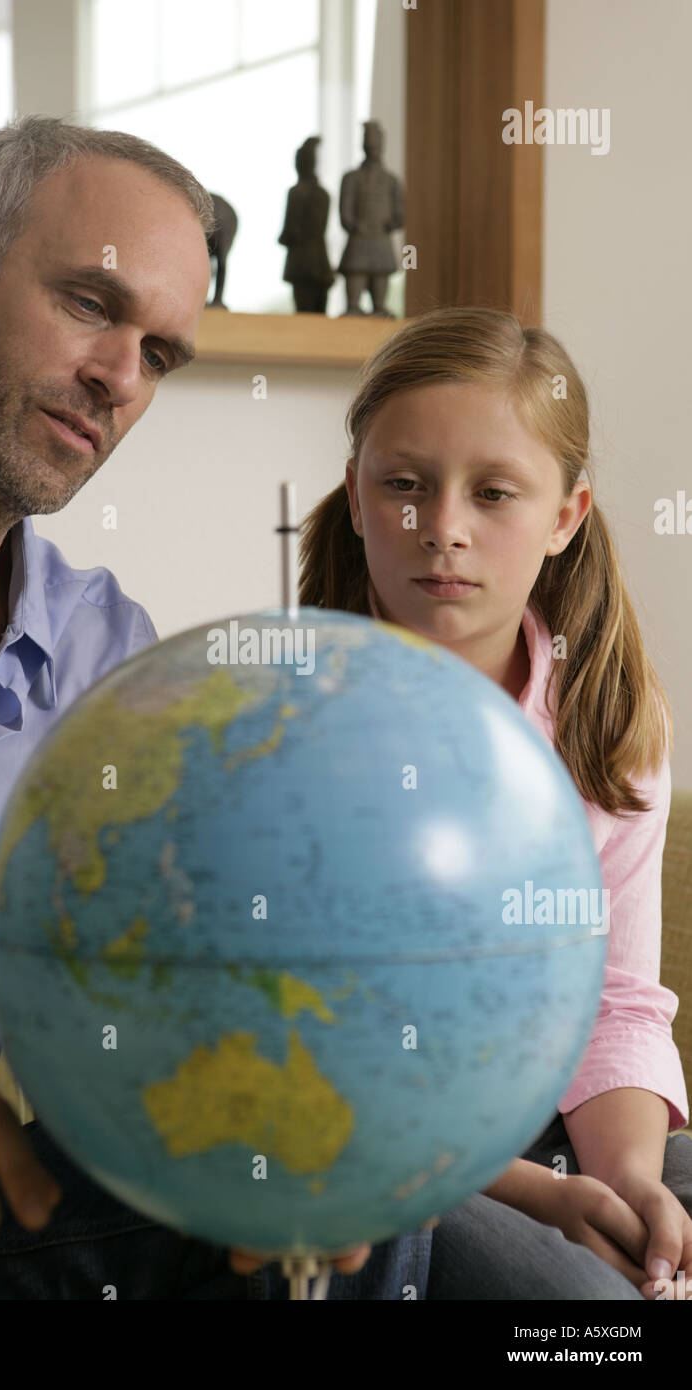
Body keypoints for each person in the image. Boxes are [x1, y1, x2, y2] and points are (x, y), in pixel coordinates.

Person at [0, 114, 430, 1300]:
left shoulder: (118, 667)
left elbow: (151, 1007)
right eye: (92, 305)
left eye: (159, 353)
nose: (117, 378)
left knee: (346, 1206)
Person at [297, 304, 692, 1299]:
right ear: (355, 496)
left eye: (494, 492)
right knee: (592, 1311)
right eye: (405, 485)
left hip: (546, 1117)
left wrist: (628, 1182)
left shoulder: (608, 723)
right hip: (365, 1146)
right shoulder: (283, 725)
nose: (444, 528)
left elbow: (614, 1000)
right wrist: (543, 1199)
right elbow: (312, 1053)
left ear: (567, 514)